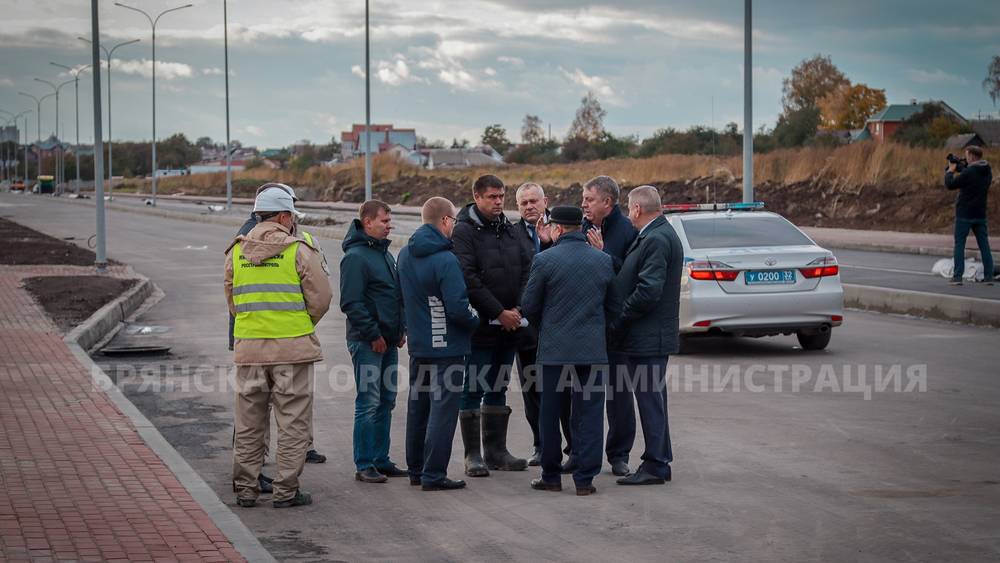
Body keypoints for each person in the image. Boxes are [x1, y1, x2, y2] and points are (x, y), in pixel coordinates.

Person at [225, 186, 332, 508]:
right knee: (293, 424)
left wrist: (255, 325)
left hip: (249, 352)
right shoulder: (298, 250)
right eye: (291, 217)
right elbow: (321, 298)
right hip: (293, 351)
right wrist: (301, 324)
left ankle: (246, 490)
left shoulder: (236, 252)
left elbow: (233, 302)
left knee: (249, 425)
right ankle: (286, 491)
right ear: (284, 217)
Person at [520, 206, 621, 496]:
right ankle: (585, 479)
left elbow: (529, 306)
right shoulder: (603, 260)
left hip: (554, 350)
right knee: (590, 414)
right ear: (578, 227)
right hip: (592, 350)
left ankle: (551, 476)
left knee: (550, 413)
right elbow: (615, 306)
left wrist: (547, 327)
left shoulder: (544, 260)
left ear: (558, 229)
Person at [398, 197, 481, 491]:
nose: (455, 226)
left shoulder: (404, 254)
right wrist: (476, 318)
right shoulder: (446, 259)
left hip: (420, 346)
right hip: (447, 348)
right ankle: (434, 475)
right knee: (443, 413)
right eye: (454, 220)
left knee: (418, 408)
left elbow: (401, 298)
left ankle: (416, 470)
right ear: (445, 220)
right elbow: (458, 307)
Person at [452, 175, 531, 476]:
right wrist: (498, 311)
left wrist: (517, 309)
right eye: (492, 197)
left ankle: (497, 452)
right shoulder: (464, 231)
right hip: (481, 326)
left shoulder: (508, 228)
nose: (499, 202)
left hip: (510, 325)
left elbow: (527, 269)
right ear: (477, 197)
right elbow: (468, 277)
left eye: (501, 196)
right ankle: (473, 455)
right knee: (474, 387)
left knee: (498, 386)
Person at [610, 186, 682, 485]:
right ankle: (659, 460)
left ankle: (655, 465)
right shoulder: (656, 234)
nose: (628, 214)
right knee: (654, 401)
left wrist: (621, 316)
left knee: (650, 402)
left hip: (648, 336)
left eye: (629, 208)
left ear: (638, 209)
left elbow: (649, 290)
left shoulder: (655, 238)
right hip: (650, 336)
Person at [340, 200, 407, 483]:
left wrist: (400, 329)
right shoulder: (355, 257)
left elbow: (395, 295)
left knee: (386, 401)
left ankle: (381, 459)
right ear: (367, 222)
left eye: (390, 221)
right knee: (369, 402)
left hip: (388, 341)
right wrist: (373, 335)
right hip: (367, 342)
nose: (389, 225)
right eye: (384, 221)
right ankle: (364, 463)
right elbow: (351, 303)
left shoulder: (384, 253)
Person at [580, 175, 638, 477]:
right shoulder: (582, 227)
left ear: (607, 202)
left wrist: (604, 255)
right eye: (583, 199)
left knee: (619, 394)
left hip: (617, 325)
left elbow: (629, 277)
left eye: (589, 199)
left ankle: (619, 455)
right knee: (582, 393)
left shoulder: (628, 231)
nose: (584, 204)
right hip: (585, 324)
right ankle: (579, 453)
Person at [512, 182, 572, 467]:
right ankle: (541, 445)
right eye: (523, 203)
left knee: (565, 392)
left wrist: (552, 242)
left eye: (533, 201)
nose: (529, 207)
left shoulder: (565, 228)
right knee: (533, 392)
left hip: (560, 326)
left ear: (545, 201)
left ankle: (573, 446)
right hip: (526, 328)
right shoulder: (511, 235)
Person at [945, 145, 994, 285]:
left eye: (967, 156)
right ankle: (989, 277)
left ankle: (957, 277)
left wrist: (950, 171)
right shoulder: (987, 170)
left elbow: (950, 184)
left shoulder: (969, 172)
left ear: (972, 156)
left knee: (959, 245)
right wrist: (962, 168)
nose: (966, 158)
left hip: (964, 214)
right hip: (980, 213)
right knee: (984, 245)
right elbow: (972, 175)